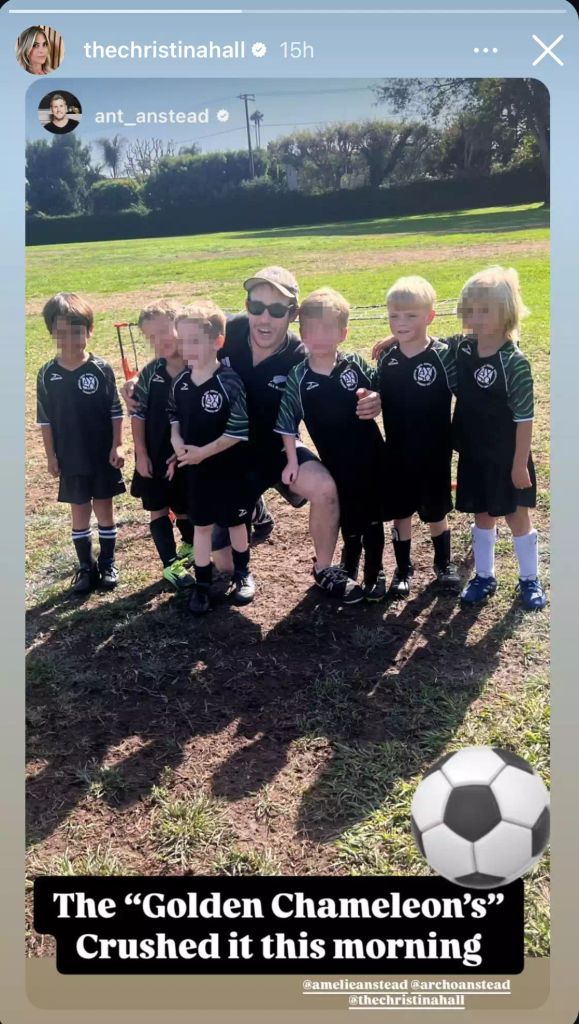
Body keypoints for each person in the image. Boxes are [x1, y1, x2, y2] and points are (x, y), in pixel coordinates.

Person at [218, 266, 382, 603]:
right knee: (221, 568)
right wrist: (139, 385)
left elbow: (342, 356)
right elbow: (176, 344)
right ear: (245, 305)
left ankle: (324, 570)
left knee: (325, 489)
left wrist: (374, 397)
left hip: (279, 450)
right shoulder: (226, 331)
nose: (264, 318)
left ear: (292, 315)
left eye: (277, 310)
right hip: (227, 453)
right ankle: (256, 510)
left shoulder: (301, 353)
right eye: (256, 306)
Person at [276, 288, 385, 602]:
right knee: (349, 517)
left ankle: (375, 573)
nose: (319, 336)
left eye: (328, 328)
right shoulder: (298, 376)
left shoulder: (354, 364)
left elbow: (382, 386)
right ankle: (348, 568)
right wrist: (293, 461)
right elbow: (286, 422)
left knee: (373, 518)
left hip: (370, 455)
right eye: (311, 329)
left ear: (343, 332)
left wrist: (377, 399)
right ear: (302, 333)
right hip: (335, 463)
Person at [450, 266, 547, 611]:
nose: (476, 318)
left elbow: (524, 418)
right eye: (470, 310)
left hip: (508, 456)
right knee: (482, 513)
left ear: (506, 310)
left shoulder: (514, 362)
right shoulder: (461, 349)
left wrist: (520, 463)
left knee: (516, 516)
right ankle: (484, 576)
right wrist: (393, 340)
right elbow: (427, 345)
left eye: (485, 310)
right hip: (474, 453)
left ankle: (529, 579)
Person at [374, 276, 460, 598]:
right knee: (401, 513)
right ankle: (403, 567)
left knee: (436, 511)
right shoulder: (387, 358)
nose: (400, 323)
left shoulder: (444, 355)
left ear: (430, 317)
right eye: (394, 316)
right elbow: (377, 393)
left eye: (411, 316)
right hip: (397, 452)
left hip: (435, 453)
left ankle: (443, 564)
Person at [36, 293, 125, 594]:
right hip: (70, 456)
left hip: (101, 455)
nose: (71, 339)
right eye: (62, 332)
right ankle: (86, 568)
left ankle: (108, 564)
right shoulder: (47, 374)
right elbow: (45, 420)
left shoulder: (101, 369)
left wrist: (118, 445)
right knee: (79, 513)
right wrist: (51, 456)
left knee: (104, 509)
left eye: (77, 331)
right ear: (51, 333)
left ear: (89, 330)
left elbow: (115, 410)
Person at [169, 301, 254, 615]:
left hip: (230, 470)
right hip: (196, 472)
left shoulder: (229, 381)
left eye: (194, 340)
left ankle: (243, 574)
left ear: (217, 341)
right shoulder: (181, 384)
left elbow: (238, 429)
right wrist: (177, 441)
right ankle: (202, 585)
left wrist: (204, 452)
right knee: (201, 527)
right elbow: (173, 418)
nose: (186, 347)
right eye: (182, 340)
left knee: (236, 523)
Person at [129, 303, 195, 591]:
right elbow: (138, 414)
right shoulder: (150, 373)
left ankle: (189, 548)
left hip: (187, 455)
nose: (159, 341)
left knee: (185, 508)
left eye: (163, 331)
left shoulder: (198, 366)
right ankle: (171, 565)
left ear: (178, 324)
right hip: (155, 456)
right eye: (150, 337)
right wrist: (141, 454)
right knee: (158, 508)